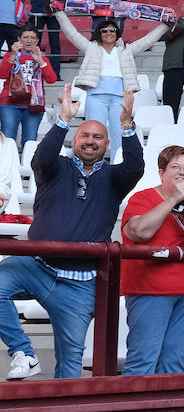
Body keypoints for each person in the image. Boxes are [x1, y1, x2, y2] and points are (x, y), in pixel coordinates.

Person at [0, 86, 140, 380]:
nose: (90, 141)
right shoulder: (54, 167)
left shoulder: (114, 177)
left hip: (80, 284)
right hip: (36, 266)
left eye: (98, 137)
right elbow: (42, 157)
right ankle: (23, 353)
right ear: (74, 140)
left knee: (70, 362)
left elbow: (134, 167)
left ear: (107, 144)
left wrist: (127, 125)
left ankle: (63, 403)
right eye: (84, 135)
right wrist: (63, 120)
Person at [120, 146, 184, 376]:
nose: (182, 172)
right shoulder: (142, 198)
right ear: (161, 173)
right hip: (150, 289)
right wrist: (174, 199)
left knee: (175, 362)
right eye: (175, 167)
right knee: (143, 361)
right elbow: (139, 232)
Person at [56, 12, 167, 162]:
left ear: (117, 33)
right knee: (94, 133)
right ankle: (93, 165)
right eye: (104, 30)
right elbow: (71, 33)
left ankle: (116, 165)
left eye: (112, 30)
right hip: (96, 97)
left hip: (119, 98)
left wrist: (166, 25)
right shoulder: (91, 48)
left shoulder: (127, 50)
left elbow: (148, 40)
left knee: (119, 135)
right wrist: (59, 13)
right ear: (99, 33)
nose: (108, 33)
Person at [0, 26, 57, 146]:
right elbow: (2, 75)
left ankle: (28, 159)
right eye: (26, 37)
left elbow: (52, 80)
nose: (29, 40)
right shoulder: (9, 55)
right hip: (9, 103)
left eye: (33, 38)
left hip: (33, 104)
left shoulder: (43, 58)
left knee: (30, 140)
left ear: (37, 40)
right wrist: (13, 55)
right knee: (8, 139)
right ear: (19, 39)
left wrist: (40, 61)